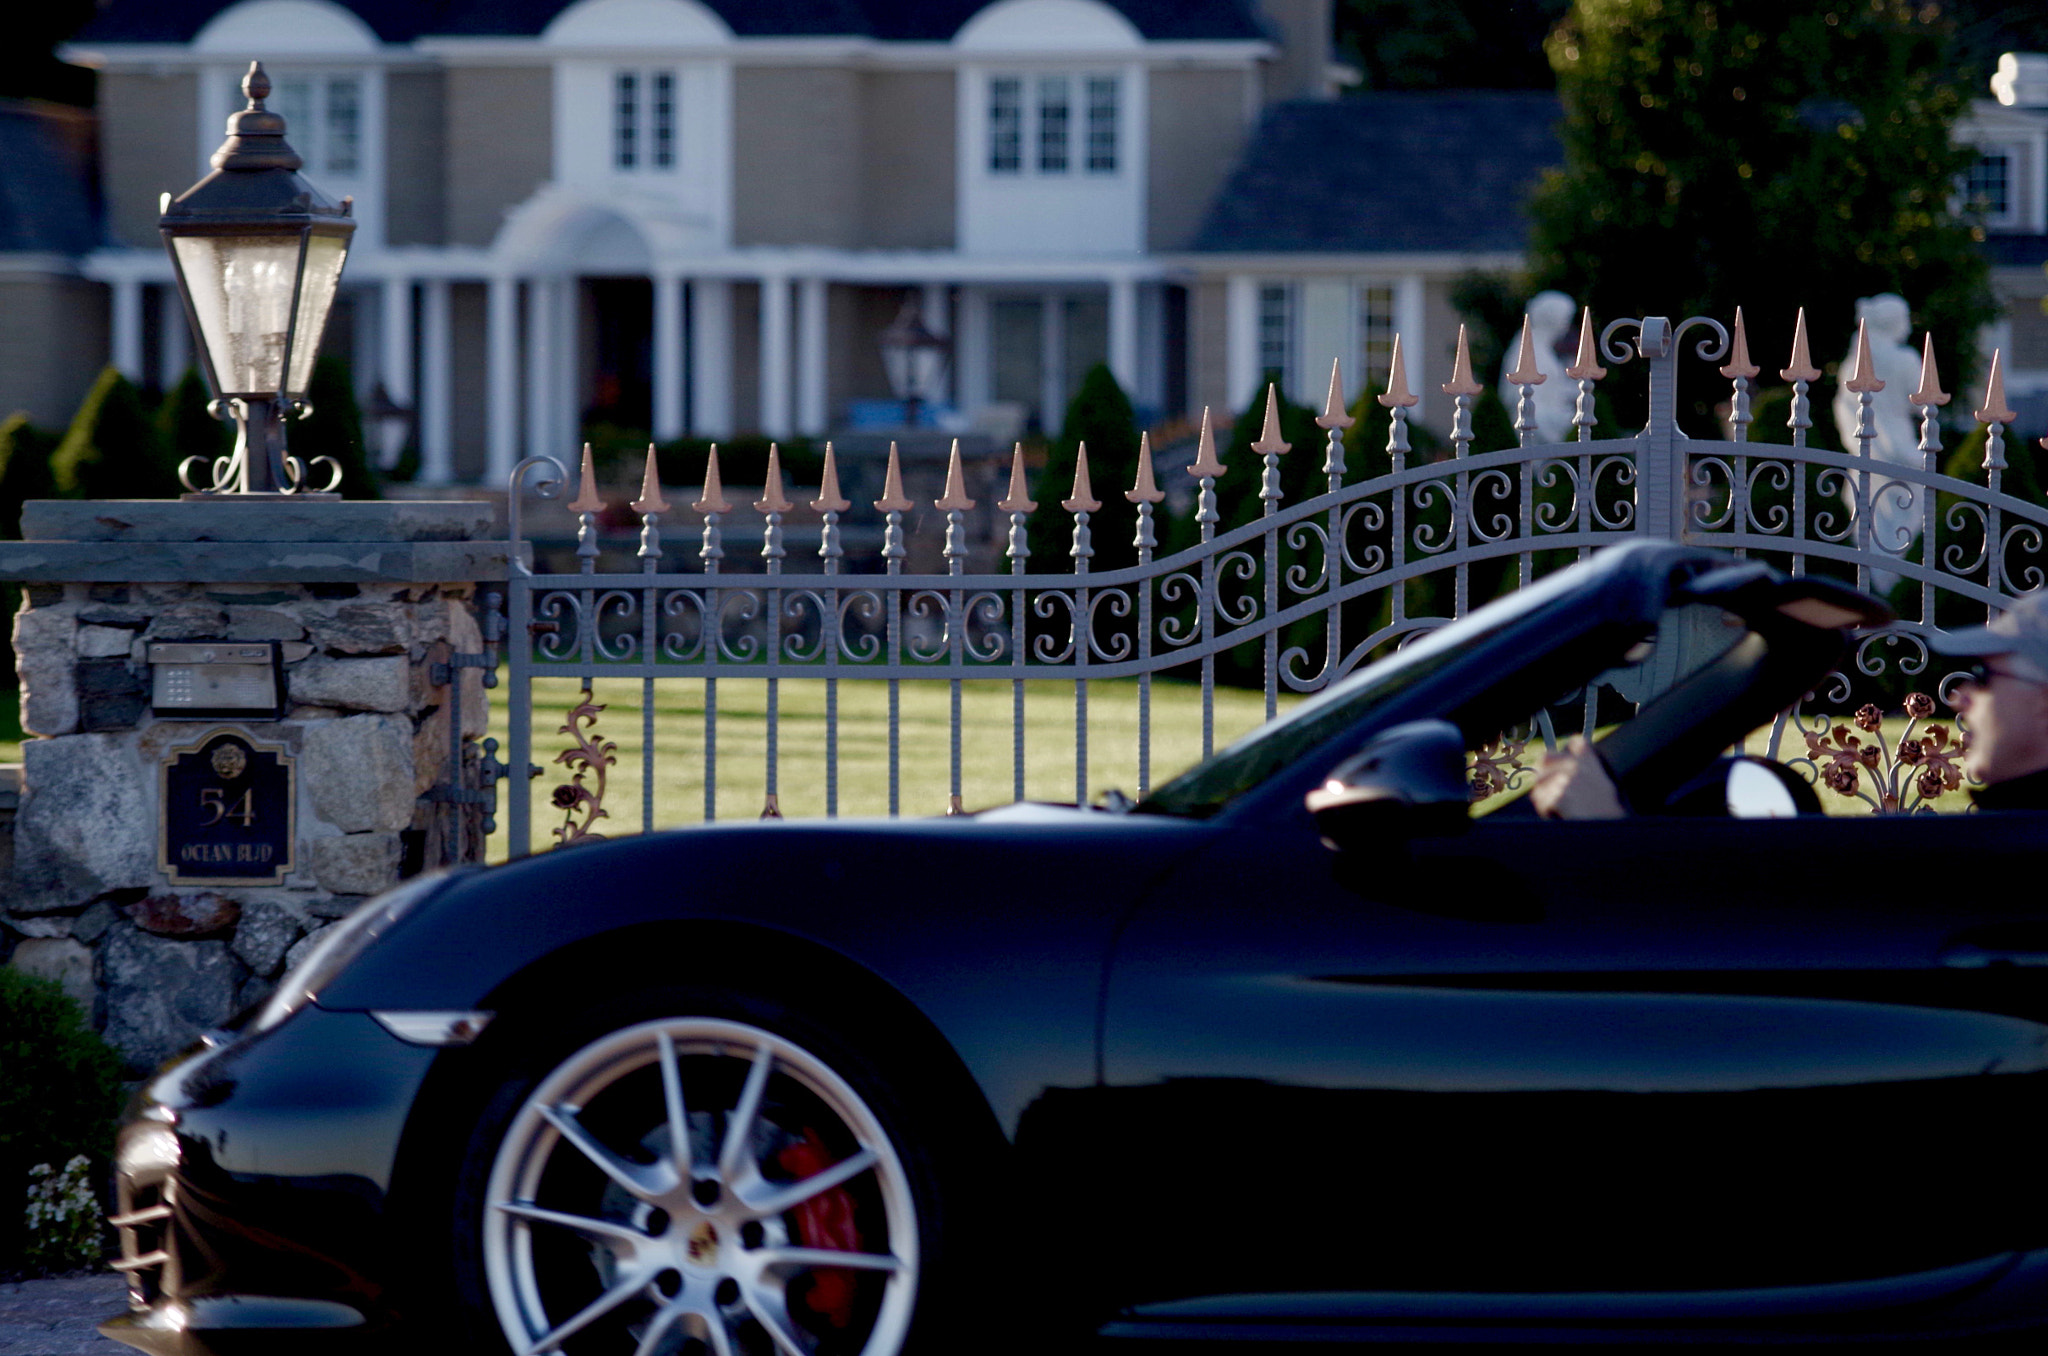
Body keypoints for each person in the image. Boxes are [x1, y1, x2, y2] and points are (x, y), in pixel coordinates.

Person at [1530, 590, 2048, 818]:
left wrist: (1608, 829)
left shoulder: (2014, 857)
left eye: (1987, 675)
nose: (1960, 695)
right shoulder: (2006, 835)